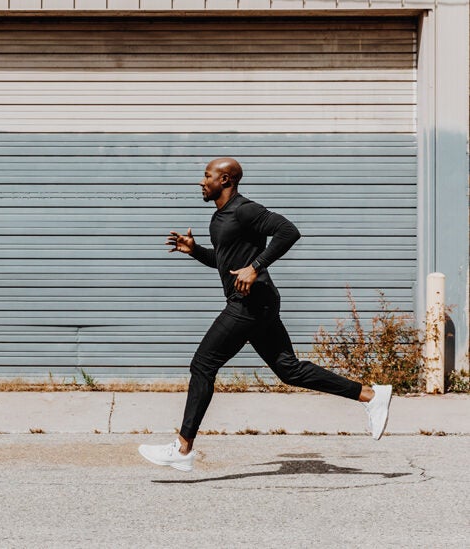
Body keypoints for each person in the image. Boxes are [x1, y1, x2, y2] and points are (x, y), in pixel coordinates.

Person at [138, 158, 392, 472]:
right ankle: (370, 395)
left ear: (226, 179)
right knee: (290, 370)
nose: (201, 182)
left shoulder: (245, 210)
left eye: (207, 176)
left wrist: (256, 267)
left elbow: (288, 231)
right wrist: (196, 250)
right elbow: (226, 260)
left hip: (250, 304)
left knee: (203, 364)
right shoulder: (220, 218)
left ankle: (182, 447)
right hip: (259, 303)